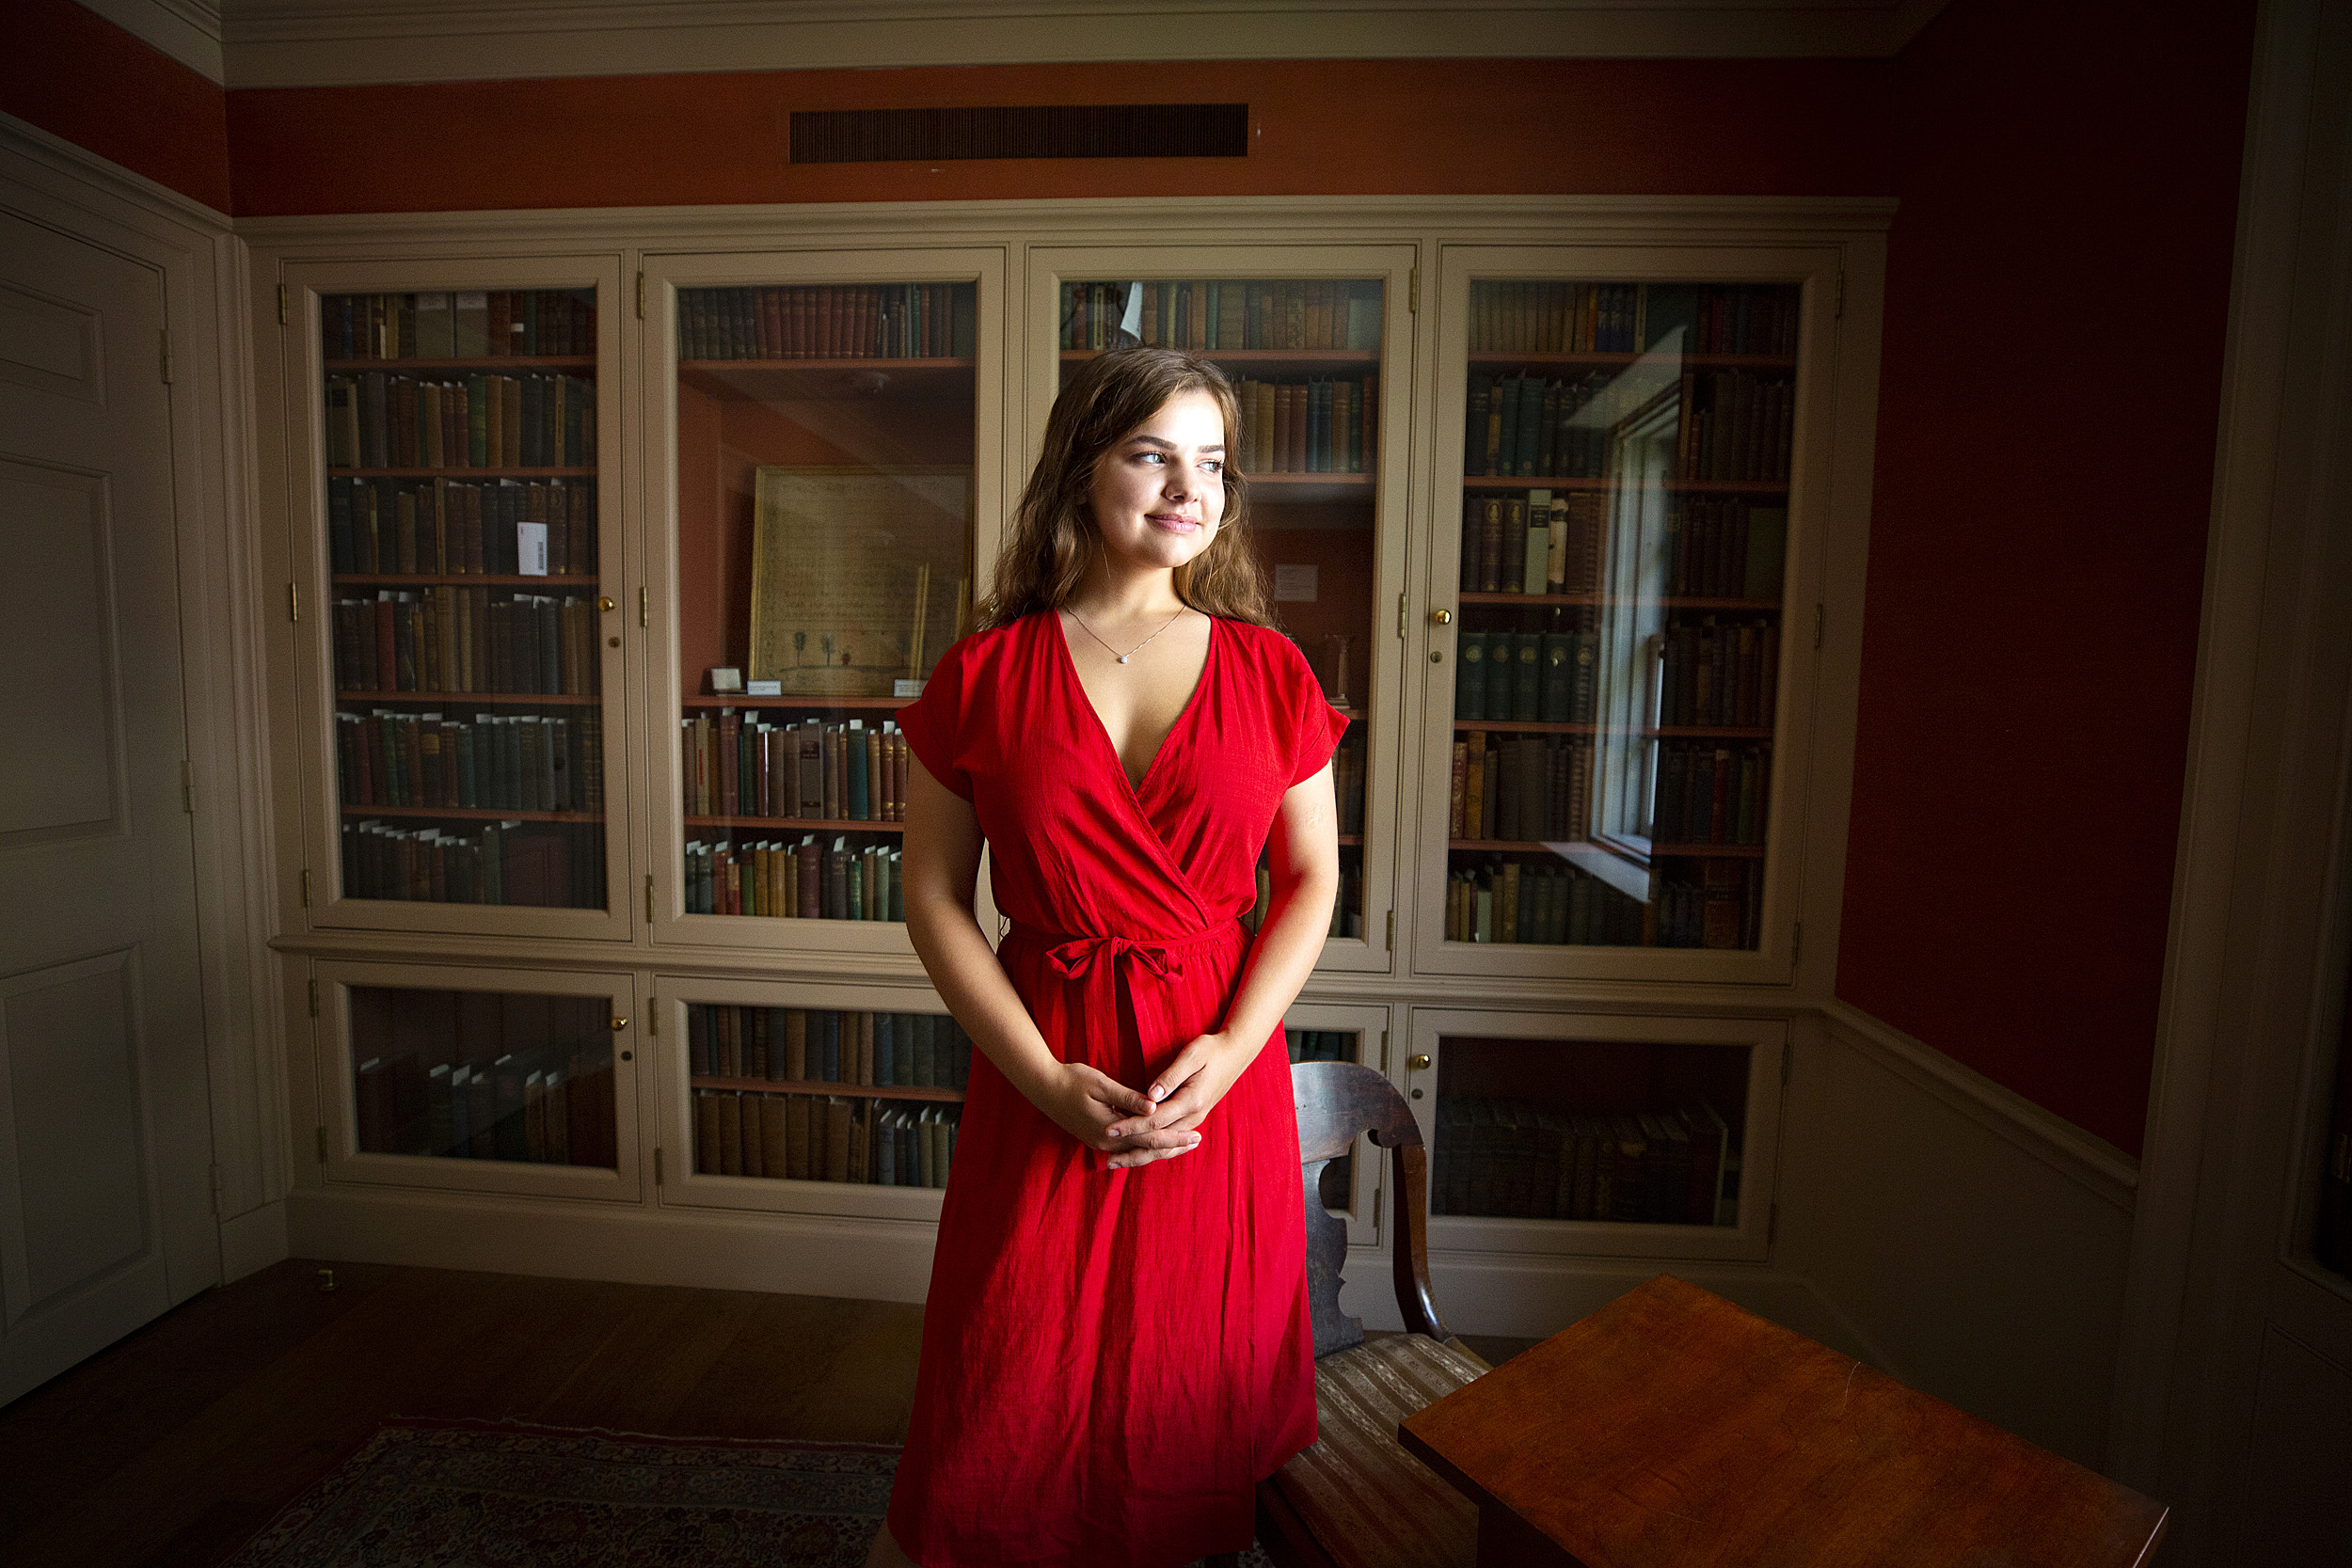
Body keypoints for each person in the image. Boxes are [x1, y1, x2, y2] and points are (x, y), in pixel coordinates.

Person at [865, 345, 1349, 1567]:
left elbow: (1311, 880)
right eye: (1152, 454)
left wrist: (1235, 1052)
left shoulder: (1273, 672)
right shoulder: (981, 674)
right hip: (1045, 1066)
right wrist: (1041, 1082)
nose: (1189, 489)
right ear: (1082, 470)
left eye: (1213, 464)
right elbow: (932, 899)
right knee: (1010, 1382)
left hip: (1209, 1079)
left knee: (1190, 1377)